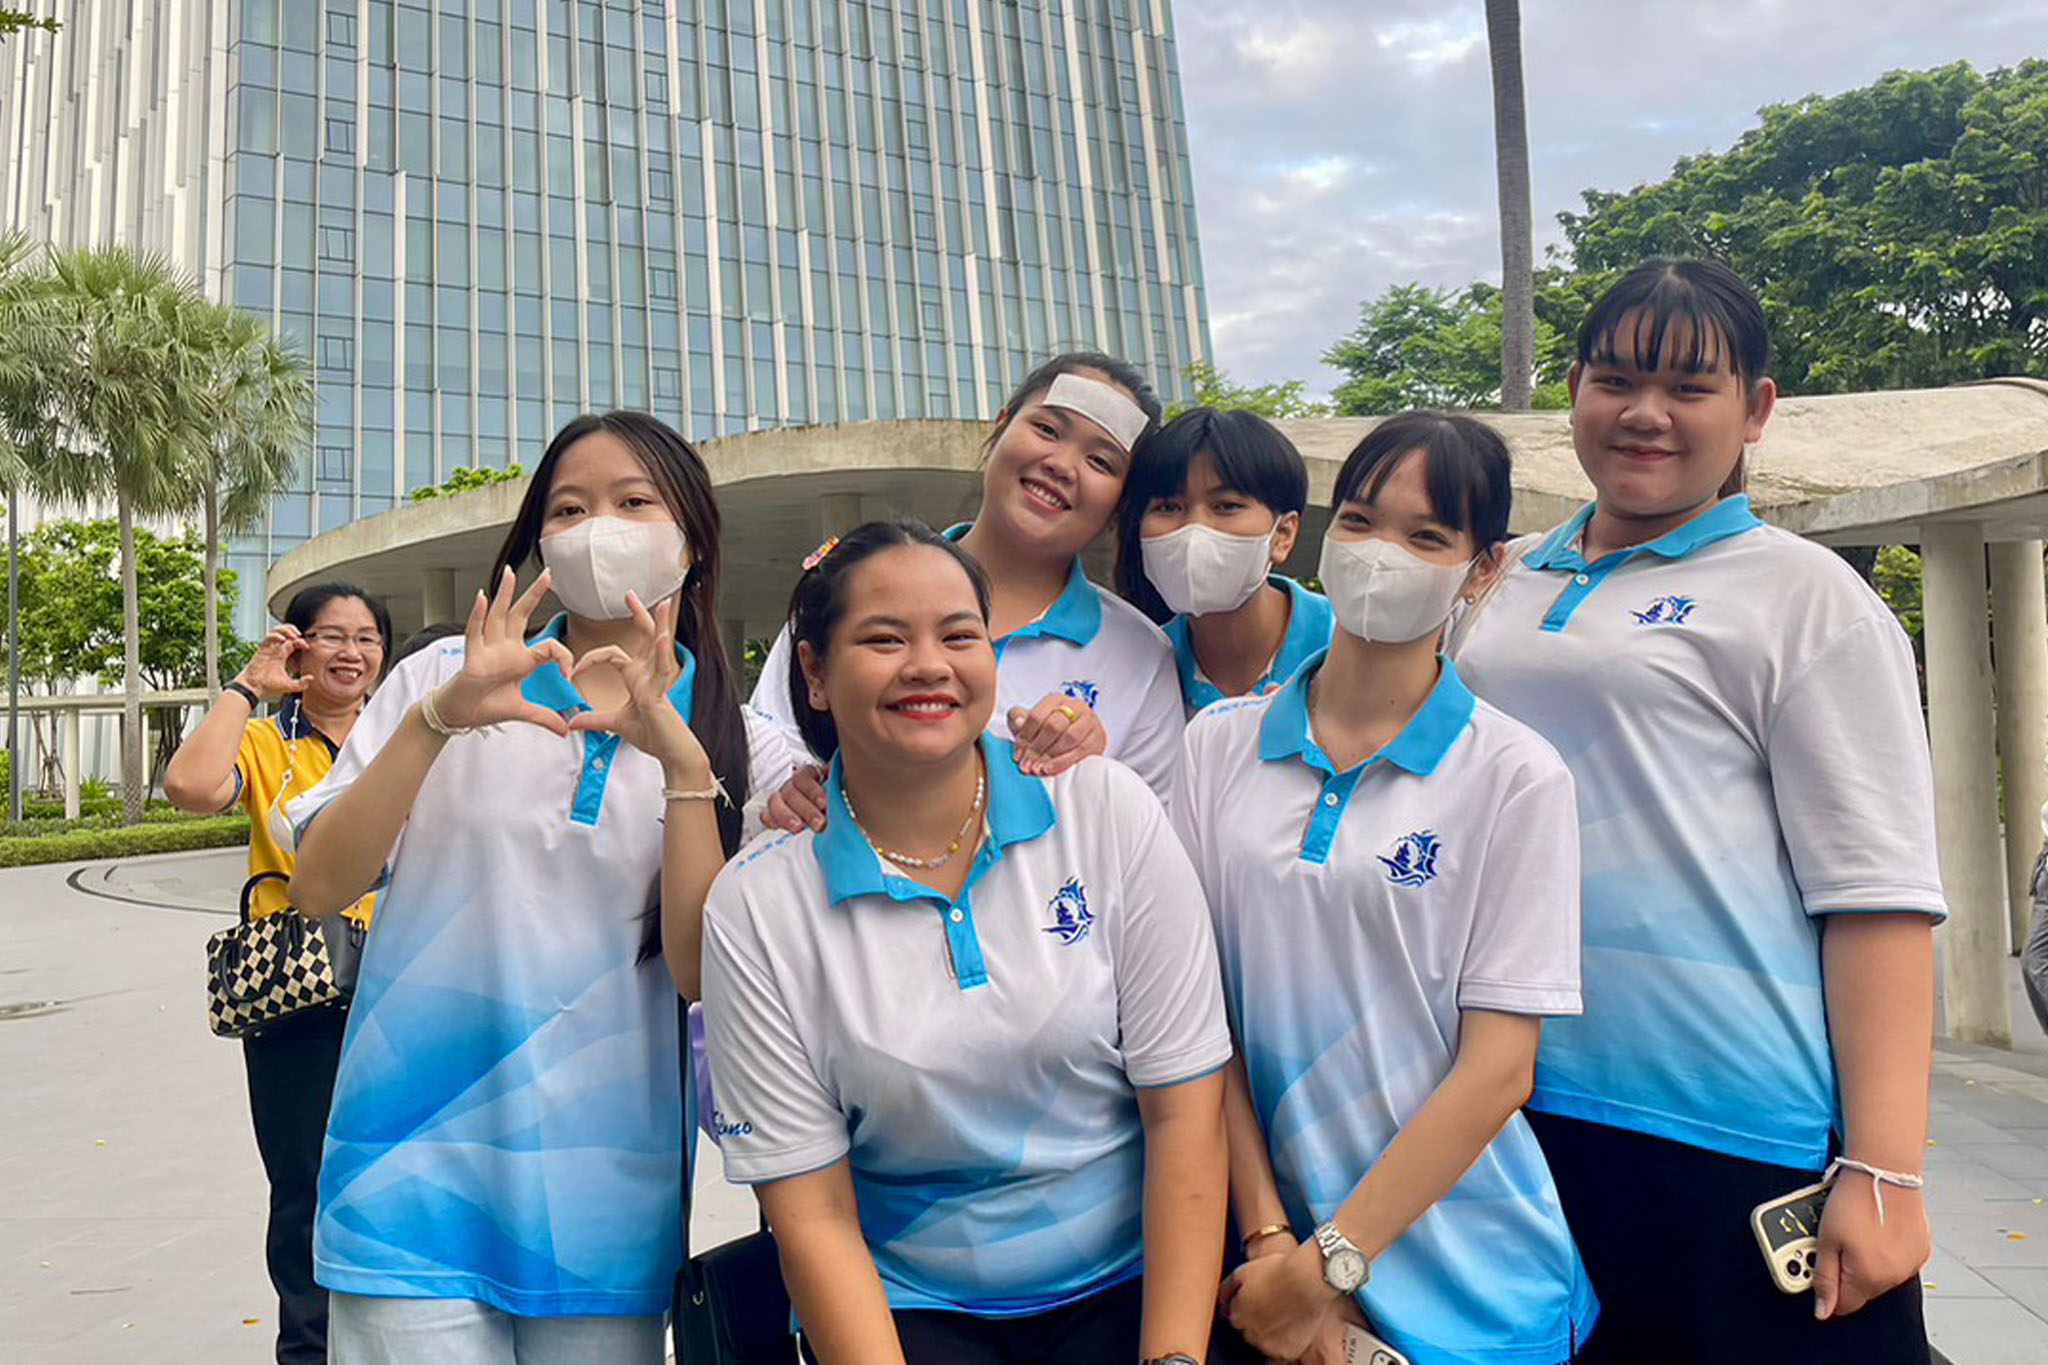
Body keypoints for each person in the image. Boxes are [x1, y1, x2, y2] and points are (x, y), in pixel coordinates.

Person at [1454, 259, 1945, 1363]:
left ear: (1754, 409)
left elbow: (1877, 895)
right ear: (1571, 388)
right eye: (1615, 379)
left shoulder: (1804, 594)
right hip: (1507, 1106)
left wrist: (1882, 1168)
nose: (1643, 414)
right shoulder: (1500, 586)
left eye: (1687, 386)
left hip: (1725, 1130)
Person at [284, 411, 790, 1363]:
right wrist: (439, 719)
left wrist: (685, 771)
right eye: (570, 506)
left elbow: (699, 975)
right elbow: (317, 885)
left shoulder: (744, 740)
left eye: (634, 501)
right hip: (405, 1183)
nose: (600, 526)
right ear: (536, 537)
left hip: (604, 1207)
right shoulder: (444, 674)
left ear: (692, 535)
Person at [701, 519, 1232, 1365]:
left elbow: (1184, 1110)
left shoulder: (1104, 810)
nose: (929, 665)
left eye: (959, 634)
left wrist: (1172, 1359)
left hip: (1133, 1281)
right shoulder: (757, 906)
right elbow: (813, 1212)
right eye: (884, 638)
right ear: (814, 671)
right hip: (908, 1301)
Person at [1175, 414, 1597, 1365]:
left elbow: (1499, 1069)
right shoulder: (1215, 747)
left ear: (1482, 569)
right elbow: (1200, 1026)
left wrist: (1329, 1263)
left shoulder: (1517, 775)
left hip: (1475, 1287)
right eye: (1361, 520)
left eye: (1426, 537)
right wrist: (1271, 1244)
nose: (1379, 555)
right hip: (1264, 1275)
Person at [753, 351, 1185, 827]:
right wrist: (791, 795)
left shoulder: (1143, 656)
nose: (1062, 465)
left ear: (1122, 502)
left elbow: (1150, 838)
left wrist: (1093, 777)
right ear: (1001, 426)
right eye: (1047, 430)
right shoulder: (851, 589)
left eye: (1101, 460)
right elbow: (766, 762)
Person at [164, 581, 391, 1365]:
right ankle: (311, 1350)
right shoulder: (269, 742)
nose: (351, 652)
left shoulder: (403, 737)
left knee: (398, 1182)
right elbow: (191, 788)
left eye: (366, 638)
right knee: (305, 1191)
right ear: (298, 647)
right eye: (332, 635)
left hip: (405, 992)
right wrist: (245, 688)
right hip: (301, 999)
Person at [1115, 406, 1331, 712]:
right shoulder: (1136, 664)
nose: (1194, 530)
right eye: (1168, 507)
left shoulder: (1347, 645)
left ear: (1282, 534)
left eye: (1226, 506)